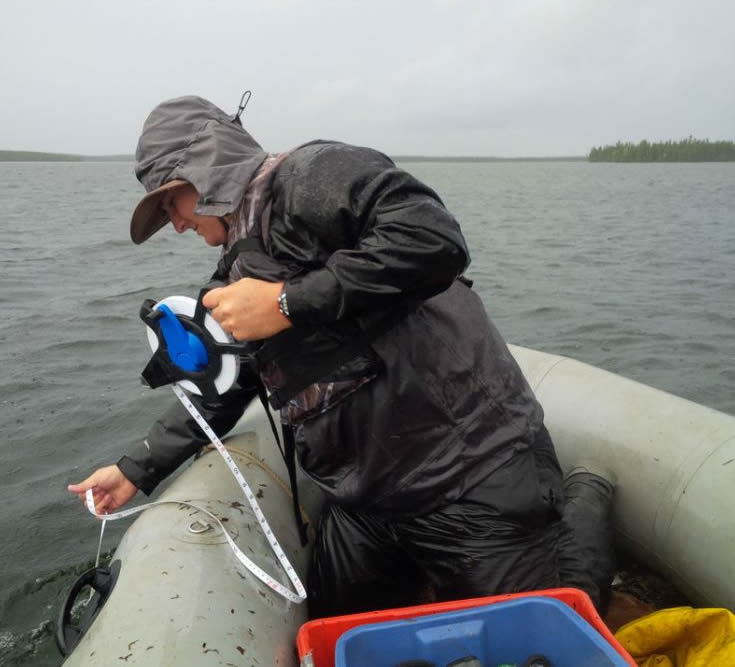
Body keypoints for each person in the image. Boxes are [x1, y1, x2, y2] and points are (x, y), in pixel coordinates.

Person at [68, 95, 615, 618]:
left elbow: (434, 240)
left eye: (172, 201)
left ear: (207, 166)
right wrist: (134, 469)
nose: (177, 223)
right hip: (368, 502)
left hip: (471, 477)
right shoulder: (232, 276)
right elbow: (227, 383)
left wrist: (288, 303)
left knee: (551, 627)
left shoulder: (312, 175)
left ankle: (585, 495)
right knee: (330, 634)